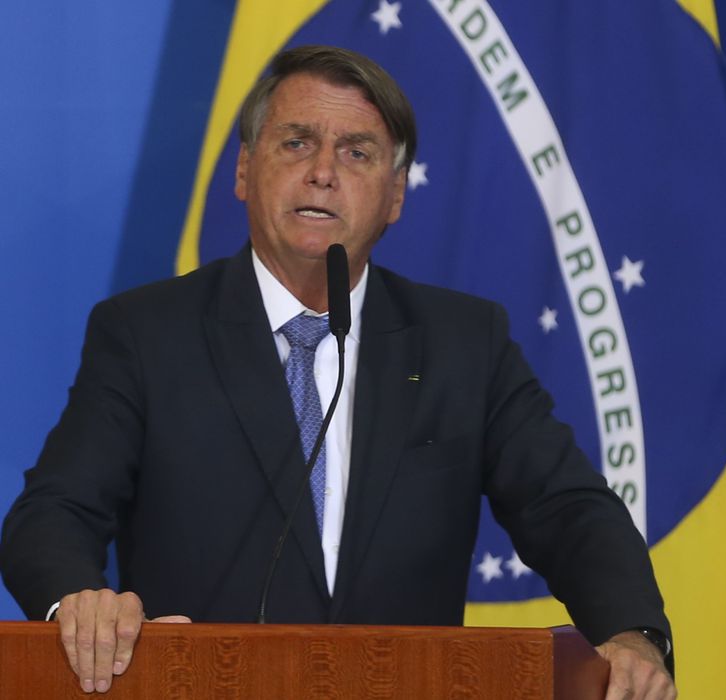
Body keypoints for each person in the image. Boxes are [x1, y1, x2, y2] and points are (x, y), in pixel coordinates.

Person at [0, 45, 675, 699]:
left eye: (357, 152)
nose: (323, 172)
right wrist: (78, 602)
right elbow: (53, 513)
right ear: (244, 169)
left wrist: (633, 634)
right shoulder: (147, 333)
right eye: (297, 142)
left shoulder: (465, 343)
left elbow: (567, 509)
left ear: (395, 195)